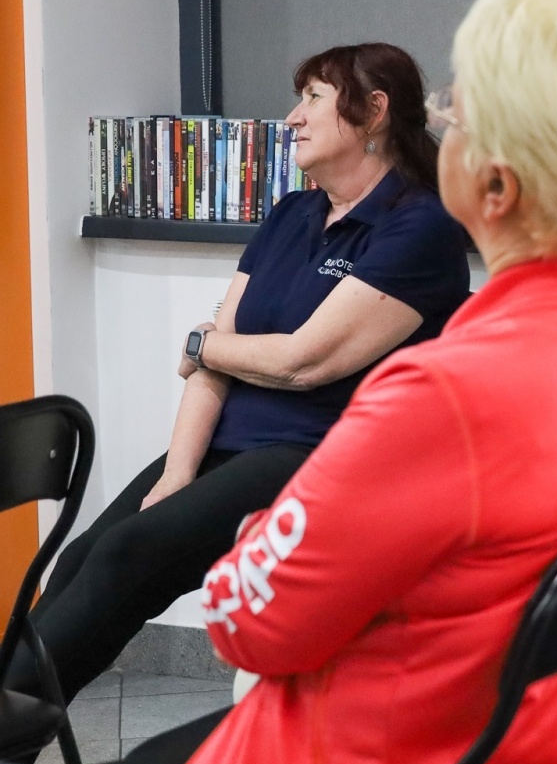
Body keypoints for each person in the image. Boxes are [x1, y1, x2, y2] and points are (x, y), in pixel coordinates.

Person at [126, 0, 557, 764]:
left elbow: (248, 622)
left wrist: (261, 529)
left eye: (456, 116)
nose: (437, 128)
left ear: (498, 187)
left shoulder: (446, 393)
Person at [4, 43, 469, 709]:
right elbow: (214, 359)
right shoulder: (290, 216)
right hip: (226, 442)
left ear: (373, 113)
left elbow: (305, 362)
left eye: (312, 97)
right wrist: (177, 473)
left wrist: (207, 342)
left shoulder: (419, 227)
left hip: (317, 457)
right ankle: (14, 748)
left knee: (127, 558)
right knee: (79, 561)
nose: (291, 118)